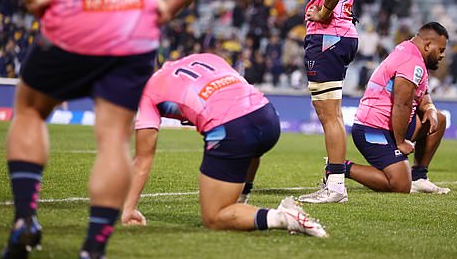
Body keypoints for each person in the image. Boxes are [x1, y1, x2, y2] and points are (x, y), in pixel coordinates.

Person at [0, 0, 220, 259]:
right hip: (132, 32)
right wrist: (167, 8)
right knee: (113, 138)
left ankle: (25, 217)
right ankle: (93, 249)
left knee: (30, 109)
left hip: (71, 19)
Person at [122, 53, 327, 238]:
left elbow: (143, 159)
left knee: (213, 217)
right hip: (267, 116)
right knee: (250, 149)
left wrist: (128, 208)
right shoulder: (205, 57)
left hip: (232, 128)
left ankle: (284, 217)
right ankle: (241, 204)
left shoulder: (148, 91)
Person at [299, 0, 359, 203]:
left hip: (328, 35)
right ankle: (333, 181)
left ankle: (335, 187)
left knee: (330, 116)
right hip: (342, 33)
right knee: (332, 114)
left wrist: (323, 12)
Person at [347, 22, 451, 194]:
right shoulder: (412, 61)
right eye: (441, 49)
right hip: (372, 129)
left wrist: (430, 107)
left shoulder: (411, 53)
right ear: (427, 45)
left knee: (438, 119)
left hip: (391, 126)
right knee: (400, 185)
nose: (443, 55)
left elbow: (423, 94)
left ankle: (419, 177)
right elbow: (402, 104)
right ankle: (340, 168)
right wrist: (401, 142)